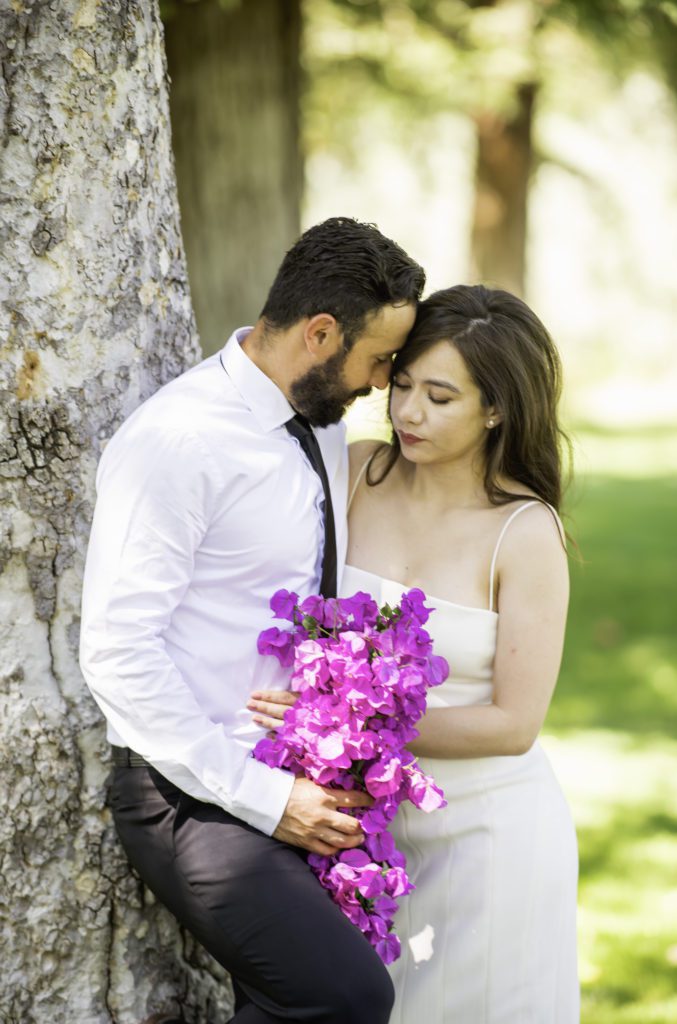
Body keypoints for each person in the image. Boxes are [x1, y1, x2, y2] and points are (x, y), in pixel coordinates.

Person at [79, 216, 425, 1023]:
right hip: (191, 792)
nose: (381, 385)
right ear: (320, 333)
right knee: (343, 998)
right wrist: (268, 801)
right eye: (378, 362)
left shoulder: (322, 422)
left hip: (296, 776)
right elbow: (117, 652)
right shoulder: (179, 441)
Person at [249, 284, 579, 1022]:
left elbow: (513, 724)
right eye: (401, 385)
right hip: (362, 836)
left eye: (439, 396)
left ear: (496, 408)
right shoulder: (359, 473)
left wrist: (337, 725)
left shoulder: (524, 532)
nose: (408, 413)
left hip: (488, 841)